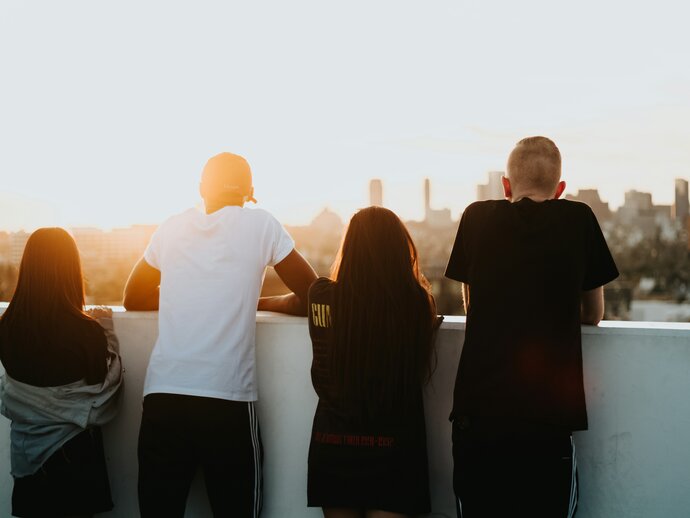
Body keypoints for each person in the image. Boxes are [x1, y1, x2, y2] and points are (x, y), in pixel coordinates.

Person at [124, 152, 317, 517]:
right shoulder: (261, 225)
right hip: (225, 399)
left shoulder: (172, 227)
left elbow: (132, 297)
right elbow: (313, 294)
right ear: (250, 193)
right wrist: (254, 299)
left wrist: (190, 291)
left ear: (201, 189)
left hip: (164, 395)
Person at [445, 136, 619, 517]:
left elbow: (473, 306)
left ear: (505, 186)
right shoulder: (579, 219)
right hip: (547, 420)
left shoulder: (476, 217)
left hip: (479, 416)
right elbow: (594, 313)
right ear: (560, 190)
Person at [307, 206, 440, 518]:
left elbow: (299, 300)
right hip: (394, 450)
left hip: (334, 445)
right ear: (399, 249)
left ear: (349, 248)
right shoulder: (416, 304)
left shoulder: (320, 295)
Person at [0, 227, 122, 518]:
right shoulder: (87, 331)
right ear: (71, 269)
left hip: (26, 461)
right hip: (74, 460)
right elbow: (102, 388)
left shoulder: (6, 329)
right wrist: (107, 331)